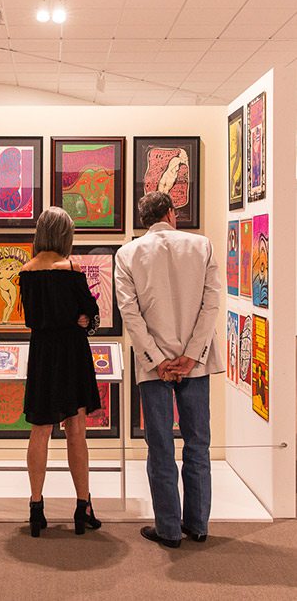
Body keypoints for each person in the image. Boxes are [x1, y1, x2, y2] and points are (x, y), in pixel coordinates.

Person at [115, 191, 223, 548]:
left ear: (145, 219)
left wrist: (159, 359)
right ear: (171, 213)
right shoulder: (201, 246)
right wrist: (191, 355)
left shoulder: (127, 254)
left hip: (154, 367)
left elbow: (130, 314)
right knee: (198, 444)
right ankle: (198, 525)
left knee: (160, 447)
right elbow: (211, 305)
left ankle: (169, 530)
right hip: (196, 362)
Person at [19, 206, 103, 537]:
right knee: (76, 431)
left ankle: (36, 507)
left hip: (41, 354)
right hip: (71, 354)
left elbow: (31, 319)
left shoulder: (26, 271)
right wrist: (81, 319)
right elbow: (90, 311)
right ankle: (83, 507)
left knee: (39, 431)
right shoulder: (71, 268)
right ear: (65, 235)